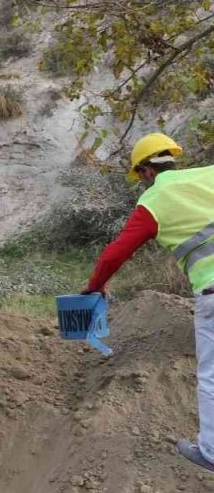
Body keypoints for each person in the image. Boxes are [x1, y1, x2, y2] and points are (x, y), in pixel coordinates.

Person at [83, 132, 214, 473]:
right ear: (172, 158)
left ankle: (211, 452)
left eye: (139, 176)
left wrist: (95, 287)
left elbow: (115, 254)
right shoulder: (209, 174)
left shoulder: (154, 201)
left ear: (145, 172)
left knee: (211, 375)